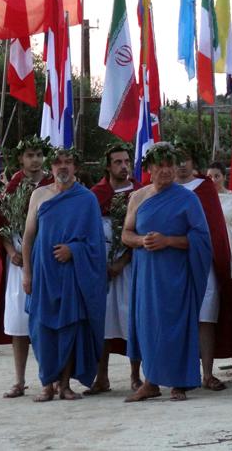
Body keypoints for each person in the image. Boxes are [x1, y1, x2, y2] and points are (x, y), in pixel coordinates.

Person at [123, 143, 212, 402]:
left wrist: (168, 241)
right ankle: (150, 382)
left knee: (176, 324)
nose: (166, 170)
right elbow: (126, 234)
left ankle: (179, 383)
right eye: (160, 165)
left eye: (170, 165)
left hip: (176, 274)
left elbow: (201, 239)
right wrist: (142, 242)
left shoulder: (188, 198)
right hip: (146, 274)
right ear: (149, 168)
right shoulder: (138, 197)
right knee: (148, 324)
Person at [22, 148, 106, 402]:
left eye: (68, 162)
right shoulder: (39, 195)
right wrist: (27, 273)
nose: (63, 167)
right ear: (51, 168)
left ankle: (66, 385)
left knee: (70, 327)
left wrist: (74, 250)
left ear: (76, 167)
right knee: (41, 328)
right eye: (58, 163)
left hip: (72, 274)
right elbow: (28, 237)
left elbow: (95, 243)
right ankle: (47, 384)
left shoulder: (86, 199)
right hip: (43, 272)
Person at [0, 136, 54, 398]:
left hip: (47, 259)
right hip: (19, 261)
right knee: (19, 321)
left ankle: (50, 379)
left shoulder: (52, 185)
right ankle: (19, 379)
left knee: (49, 320)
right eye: (30, 155)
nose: (35, 160)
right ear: (21, 159)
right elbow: (0, 224)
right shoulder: (13, 186)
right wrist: (10, 251)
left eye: (39, 154)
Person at [174, 142, 232, 392]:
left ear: (194, 162)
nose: (181, 164)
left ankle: (208, 373)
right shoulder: (164, 188)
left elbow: (216, 230)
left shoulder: (205, 188)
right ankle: (181, 374)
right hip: (174, 262)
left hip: (204, 262)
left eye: (186, 159)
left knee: (206, 316)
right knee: (178, 318)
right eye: (177, 159)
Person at [86, 143, 143, 395]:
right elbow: (87, 231)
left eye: (127, 161)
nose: (123, 166)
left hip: (130, 266)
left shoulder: (140, 192)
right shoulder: (95, 194)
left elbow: (143, 231)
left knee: (132, 320)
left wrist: (122, 261)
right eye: (118, 162)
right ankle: (102, 377)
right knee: (103, 322)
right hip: (102, 269)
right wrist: (102, 263)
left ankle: (135, 376)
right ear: (108, 166)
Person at [206, 161, 232, 329]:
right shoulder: (201, 198)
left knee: (229, 280)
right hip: (208, 245)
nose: (213, 179)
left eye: (216, 176)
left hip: (229, 243)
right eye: (209, 176)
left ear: (224, 177)